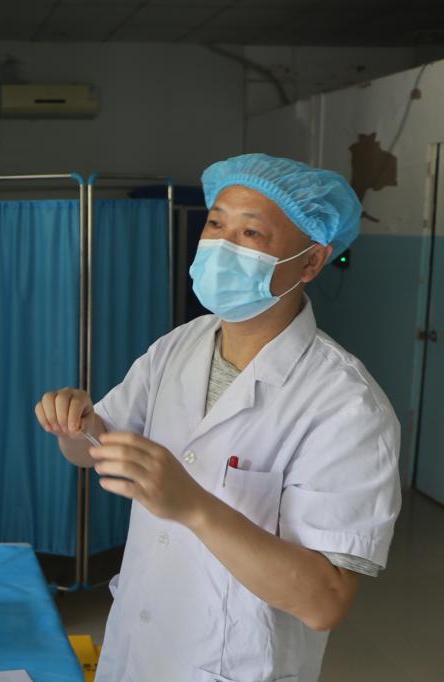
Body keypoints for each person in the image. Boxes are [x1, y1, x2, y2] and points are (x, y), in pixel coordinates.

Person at [35, 153, 402, 682]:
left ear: (311, 263)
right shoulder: (180, 345)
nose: (222, 245)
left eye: (251, 232)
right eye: (215, 224)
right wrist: (77, 425)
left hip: (234, 667)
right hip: (137, 648)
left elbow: (324, 600)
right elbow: (92, 451)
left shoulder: (347, 405)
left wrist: (193, 506)